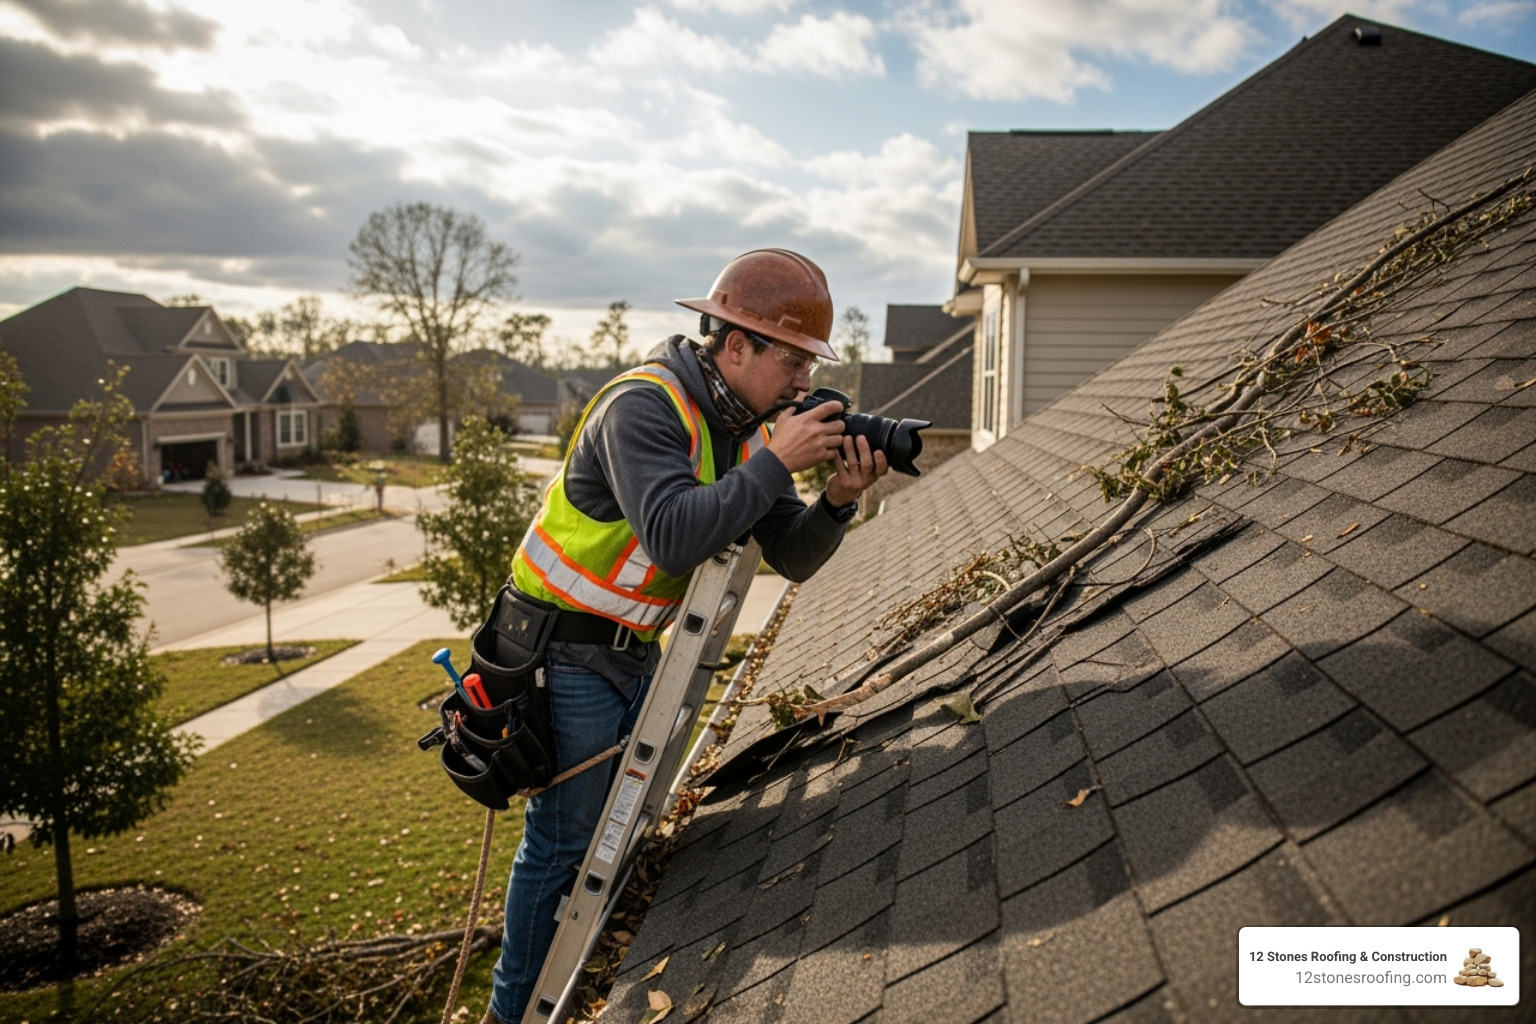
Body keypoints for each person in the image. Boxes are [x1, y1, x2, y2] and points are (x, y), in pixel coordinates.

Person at [483, 248, 887, 1023]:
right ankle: (515, 1016)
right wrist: (773, 462)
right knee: (565, 843)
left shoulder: (736, 430)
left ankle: (567, 982)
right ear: (736, 345)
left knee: (608, 835)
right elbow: (671, 535)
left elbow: (793, 556)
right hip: (558, 649)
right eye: (795, 361)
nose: (806, 384)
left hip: (628, 653)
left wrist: (836, 498)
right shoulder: (645, 408)